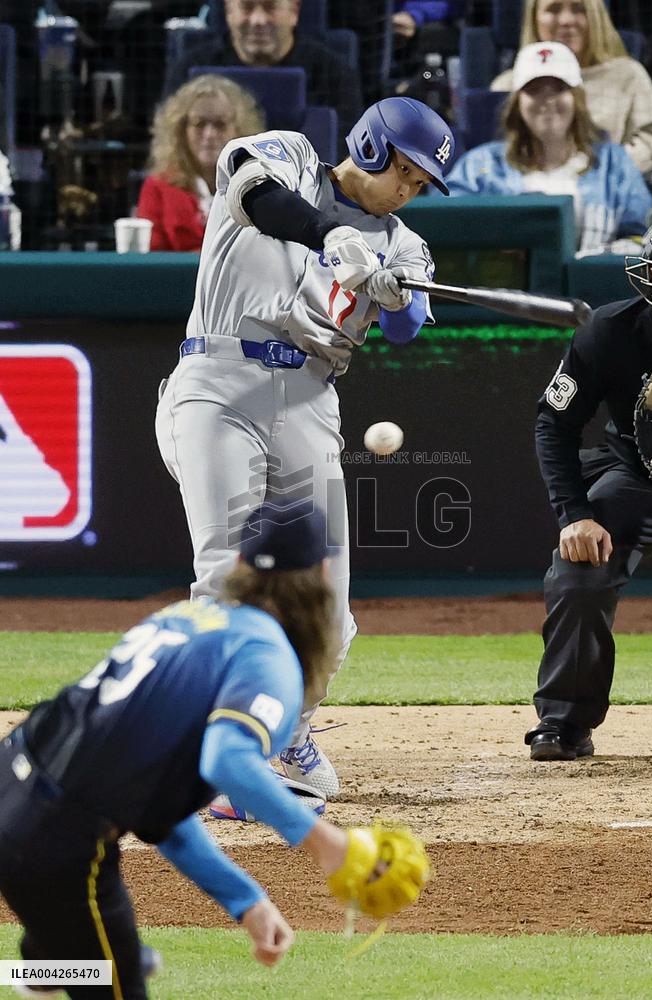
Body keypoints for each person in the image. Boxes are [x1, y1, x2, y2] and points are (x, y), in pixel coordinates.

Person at [155, 96, 455, 799]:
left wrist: (396, 292)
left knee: (329, 604)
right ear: (371, 146)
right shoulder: (289, 156)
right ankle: (215, 756)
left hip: (311, 399)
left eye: (419, 185)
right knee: (226, 573)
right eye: (403, 172)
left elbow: (408, 326)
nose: (406, 191)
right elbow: (255, 197)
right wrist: (333, 236)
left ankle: (287, 732)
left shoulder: (402, 243)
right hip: (217, 381)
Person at [0, 503, 380, 997]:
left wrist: (247, 901)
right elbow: (227, 757)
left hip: (16, 789)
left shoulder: (185, 619)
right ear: (325, 575)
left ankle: (51, 965)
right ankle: (79, 961)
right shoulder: (266, 656)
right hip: (52, 840)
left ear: (239, 564)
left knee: (84, 950)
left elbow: (164, 813)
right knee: (113, 974)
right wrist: (325, 843)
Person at [525, 212, 652, 762]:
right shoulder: (609, 330)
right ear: (650, 275)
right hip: (640, 478)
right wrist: (574, 514)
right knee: (579, 571)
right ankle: (564, 721)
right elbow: (555, 424)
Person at [447, 42, 652, 256]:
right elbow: (446, 224)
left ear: (576, 98)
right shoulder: (480, 164)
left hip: (593, 278)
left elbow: (640, 238)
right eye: (534, 90)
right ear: (517, 103)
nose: (547, 100)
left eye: (559, 89)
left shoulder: (614, 163)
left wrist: (590, 261)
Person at [490, 0, 652, 178]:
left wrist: (603, 170)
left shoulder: (627, 75)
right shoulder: (508, 85)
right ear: (534, 19)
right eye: (554, 9)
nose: (566, 20)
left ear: (595, 16)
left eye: (579, 9)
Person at [163, 0, 363, 141]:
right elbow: (169, 147)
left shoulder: (333, 73)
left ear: (294, 11)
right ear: (228, 11)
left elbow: (346, 153)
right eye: (246, 7)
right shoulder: (190, 69)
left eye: (270, 7)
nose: (258, 20)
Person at [136, 75, 265, 252]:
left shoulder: (258, 185)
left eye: (220, 124)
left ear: (239, 130)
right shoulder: (158, 185)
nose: (209, 134)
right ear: (181, 131)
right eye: (199, 123)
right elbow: (151, 256)